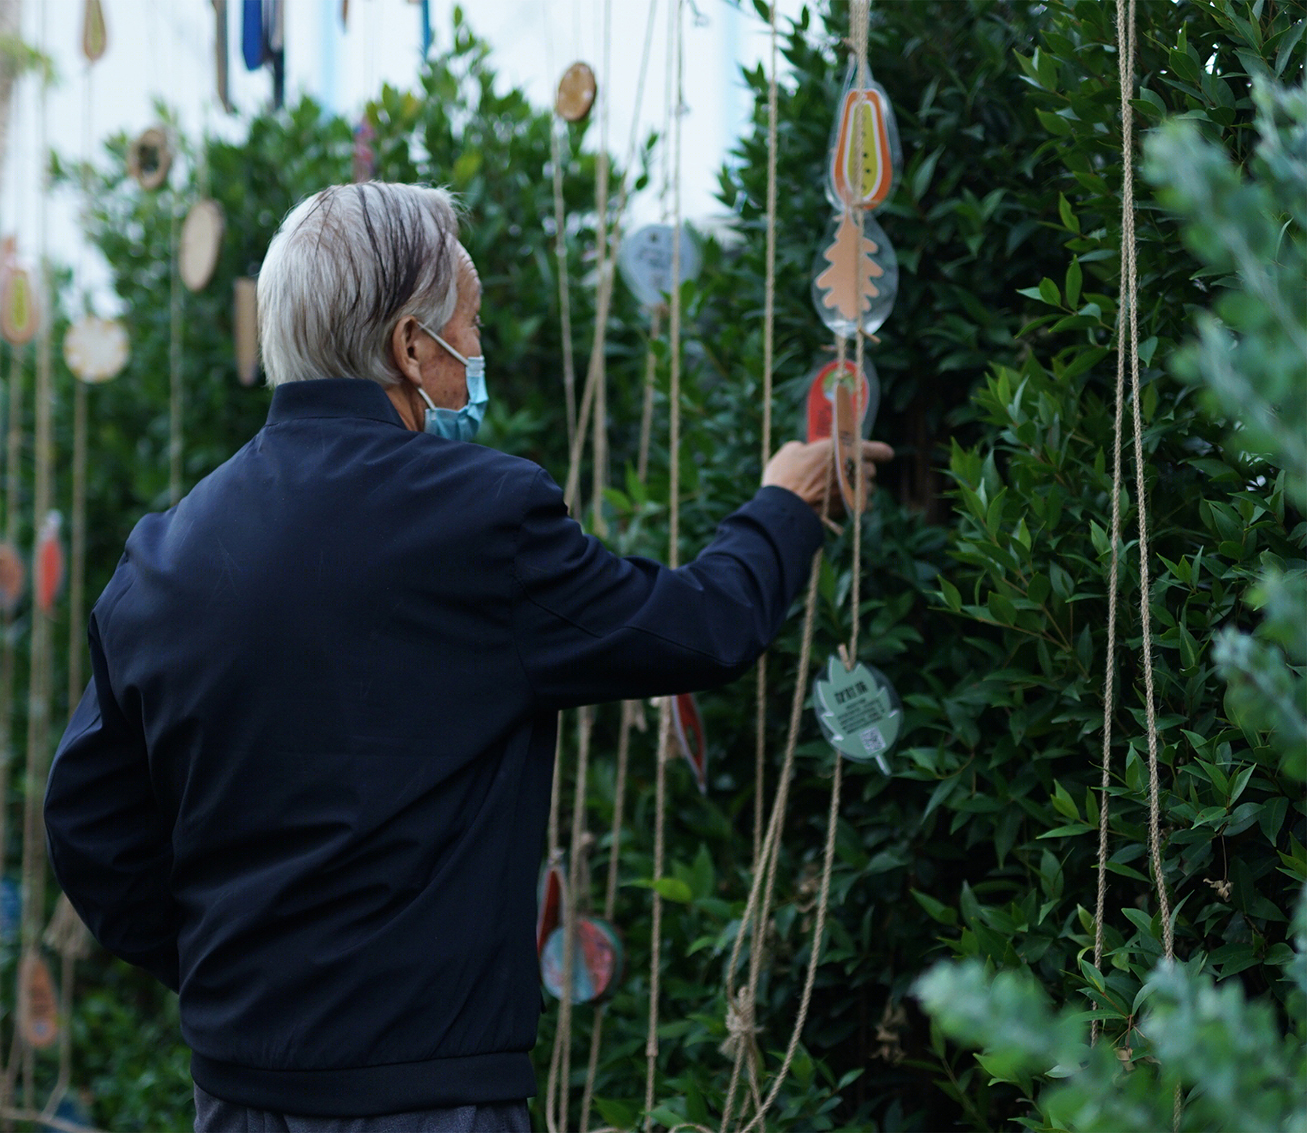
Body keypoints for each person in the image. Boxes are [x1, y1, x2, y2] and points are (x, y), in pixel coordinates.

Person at [44, 182, 892, 1131]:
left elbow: (89, 823)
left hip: (237, 1092)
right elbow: (697, 628)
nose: (476, 355)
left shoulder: (166, 552)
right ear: (412, 345)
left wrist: (223, 962)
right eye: (471, 326)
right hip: (430, 1098)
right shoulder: (480, 514)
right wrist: (782, 505)